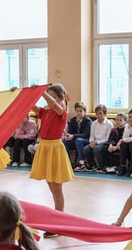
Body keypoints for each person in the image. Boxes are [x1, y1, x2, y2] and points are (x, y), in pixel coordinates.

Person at [29, 84, 74, 238]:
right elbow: (33, 106)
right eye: (49, 96)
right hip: (45, 148)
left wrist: (42, 92)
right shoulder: (46, 111)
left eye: (53, 96)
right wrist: (24, 95)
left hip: (54, 149)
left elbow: (54, 104)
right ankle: (59, 216)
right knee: (51, 187)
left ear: (61, 98)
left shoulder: (61, 111)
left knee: (56, 188)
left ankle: (59, 222)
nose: (49, 100)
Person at [78, 104, 112, 172]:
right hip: (95, 142)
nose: (98, 115)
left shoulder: (109, 124)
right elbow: (92, 135)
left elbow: (108, 139)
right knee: (86, 149)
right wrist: (91, 142)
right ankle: (92, 166)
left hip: (104, 143)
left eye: (100, 113)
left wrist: (97, 142)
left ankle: (102, 167)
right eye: (96, 114)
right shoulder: (94, 123)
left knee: (96, 149)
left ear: (105, 114)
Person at [62, 101, 92, 169]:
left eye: (80, 111)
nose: (78, 113)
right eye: (77, 111)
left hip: (85, 140)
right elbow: (70, 132)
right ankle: (66, 161)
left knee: (78, 140)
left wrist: (73, 136)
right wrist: (68, 136)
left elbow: (86, 134)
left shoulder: (88, 121)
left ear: (84, 112)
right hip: (76, 140)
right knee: (64, 141)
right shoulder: (73, 120)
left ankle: (82, 163)